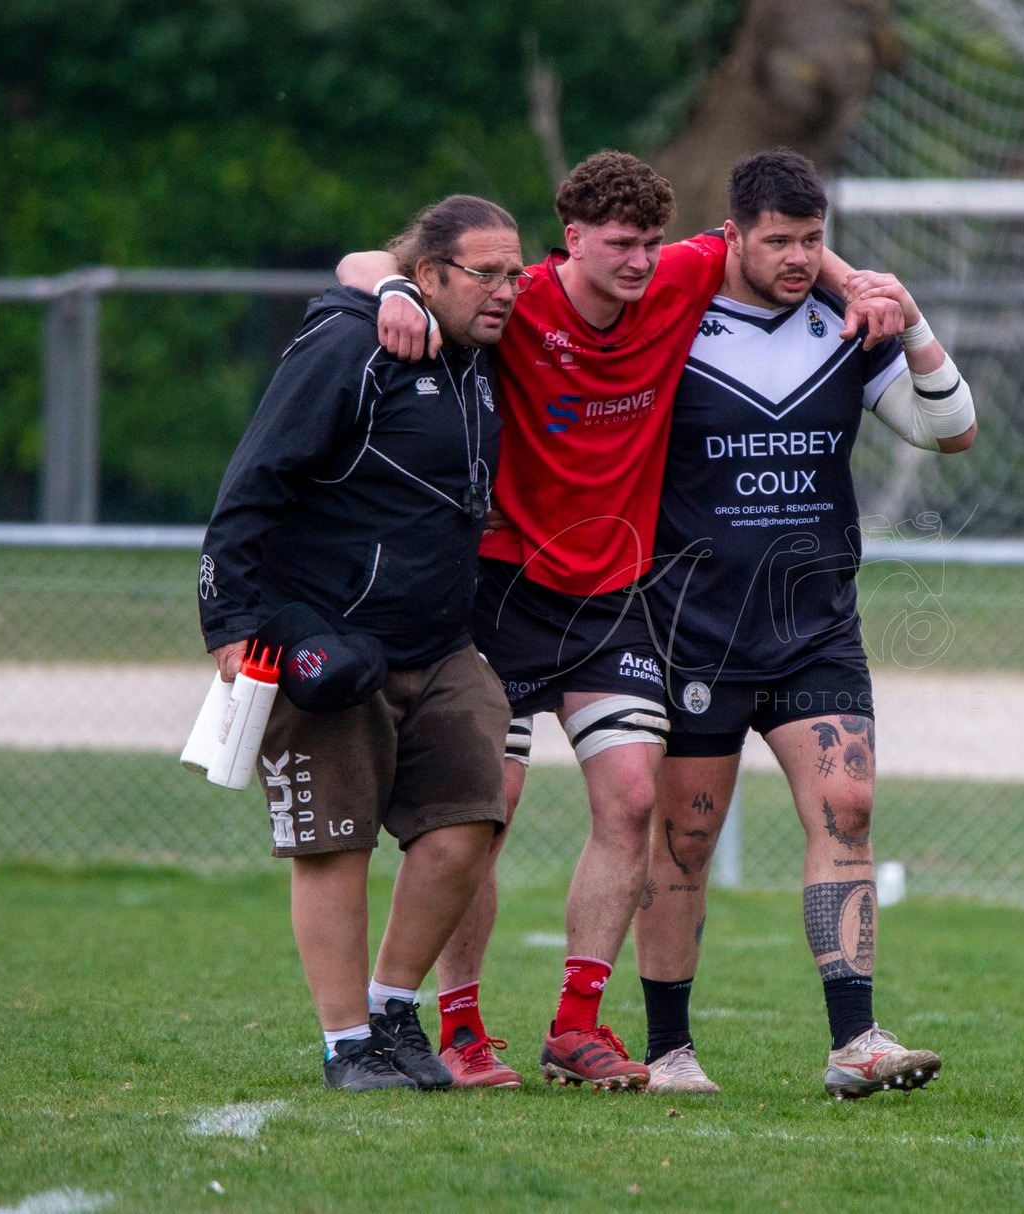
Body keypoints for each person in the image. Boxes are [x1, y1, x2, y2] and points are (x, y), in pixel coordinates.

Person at [335, 151, 900, 1090]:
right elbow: (362, 265)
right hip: (504, 591)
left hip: (613, 599)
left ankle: (576, 1026)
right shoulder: (518, 302)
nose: (639, 262)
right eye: (619, 245)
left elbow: (756, 245)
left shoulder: (677, 278)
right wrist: (392, 288)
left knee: (634, 799)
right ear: (572, 243)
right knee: (485, 813)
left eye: (649, 243)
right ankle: (462, 1030)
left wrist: (859, 279)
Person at [630, 149, 977, 1099]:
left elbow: (949, 430)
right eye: (776, 240)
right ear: (731, 236)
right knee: (685, 839)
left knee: (848, 809)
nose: (796, 257)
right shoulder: (671, 321)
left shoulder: (847, 326)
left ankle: (855, 1041)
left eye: (812, 240)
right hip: (690, 625)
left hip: (815, 626)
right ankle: (667, 1050)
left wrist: (905, 315)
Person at [198, 195, 522, 1091]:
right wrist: (228, 627)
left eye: (514, 274)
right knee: (334, 844)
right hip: (325, 641)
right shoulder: (354, 344)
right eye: (485, 274)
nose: (505, 291)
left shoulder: (479, 356)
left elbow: (362, 262)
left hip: (441, 644)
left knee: (466, 828)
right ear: (429, 275)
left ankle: (391, 1012)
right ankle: (347, 1045)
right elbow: (252, 480)